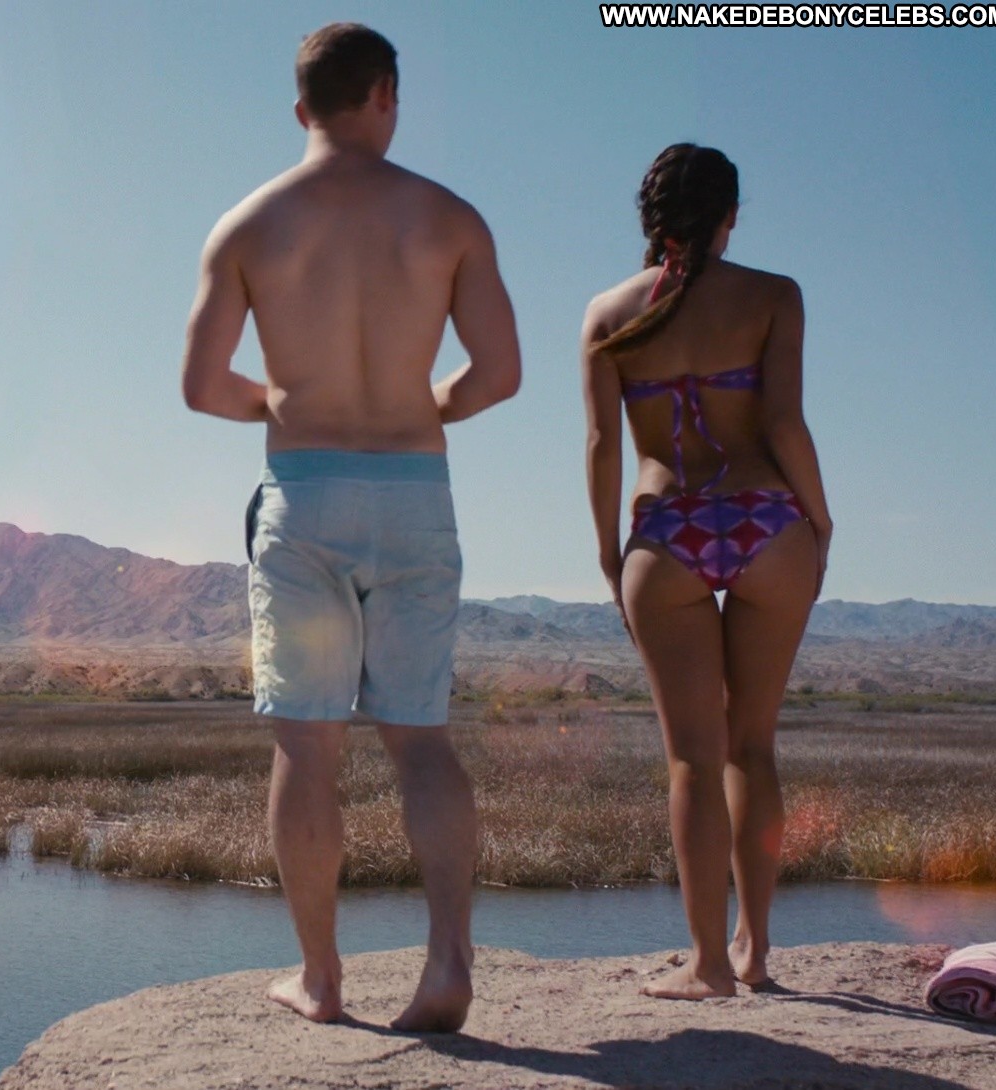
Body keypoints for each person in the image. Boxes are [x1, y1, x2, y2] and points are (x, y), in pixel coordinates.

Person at [180, 23, 521, 1032]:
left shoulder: (247, 225)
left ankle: (321, 979)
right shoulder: (451, 218)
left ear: (301, 109)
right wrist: (422, 406)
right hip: (416, 488)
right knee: (423, 743)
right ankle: (448, 963)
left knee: (307, 743)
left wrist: (285, 402)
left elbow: (202, 386)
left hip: (306, 491)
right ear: (386, 94)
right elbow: (499, 374)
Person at [580, 144, 833, 1000]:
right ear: (730, 217)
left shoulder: (607, 314)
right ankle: (756, 953)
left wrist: (610, 553)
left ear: (649, 221)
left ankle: (708, 966)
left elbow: (602, 445)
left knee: (692, 758)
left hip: (667, 531)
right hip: (768, 522)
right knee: (752, 746)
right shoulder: (773, 296)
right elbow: (786, 423)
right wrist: (820, 519)